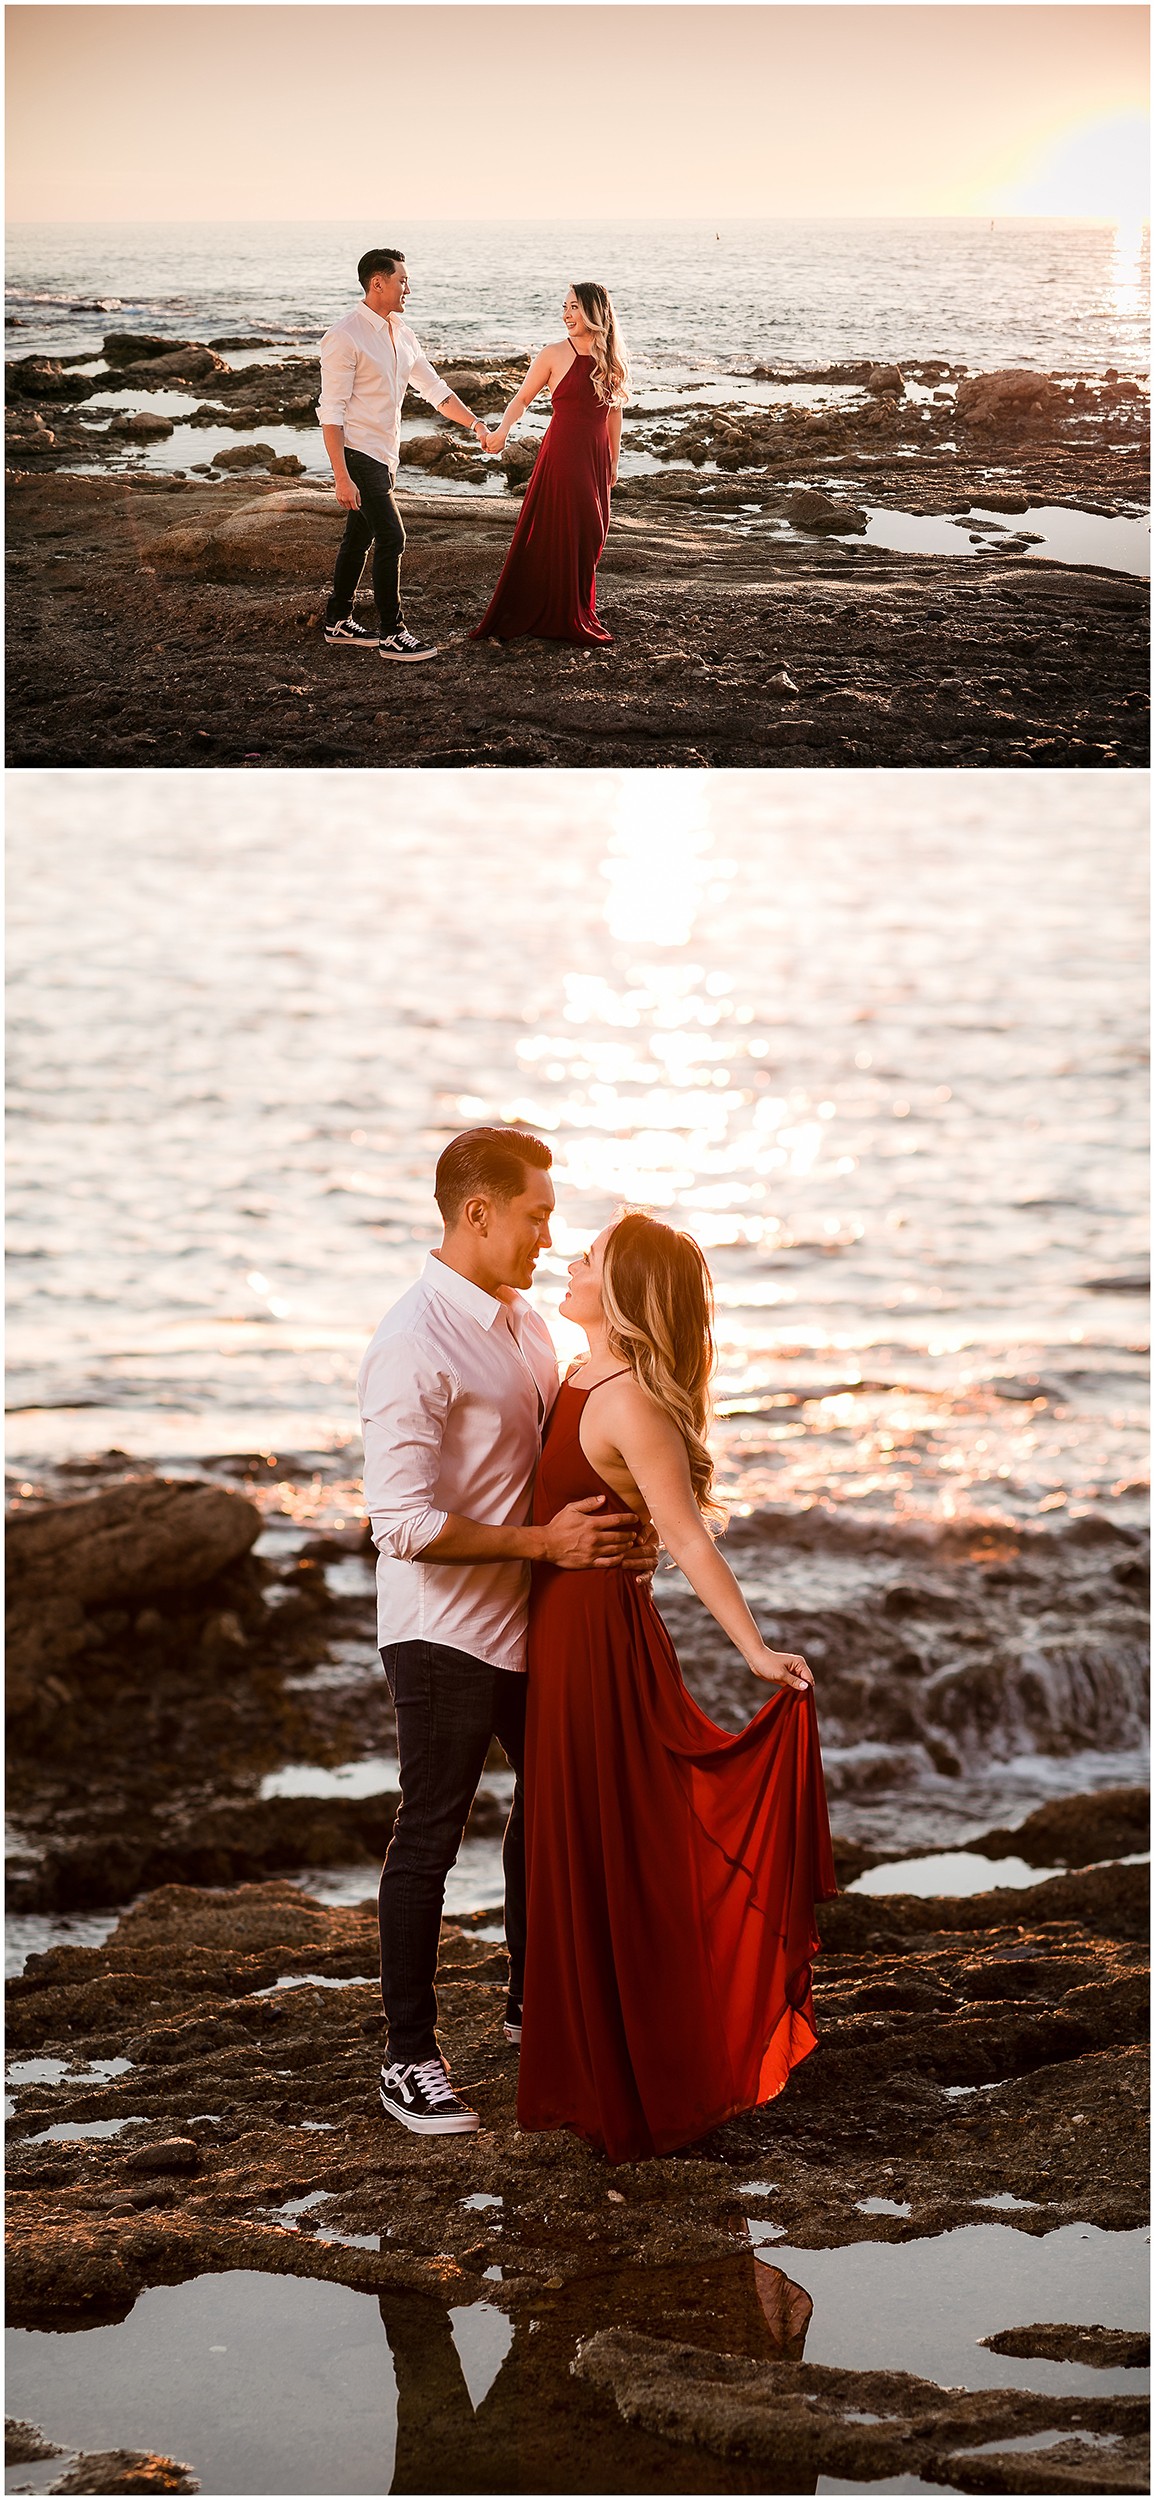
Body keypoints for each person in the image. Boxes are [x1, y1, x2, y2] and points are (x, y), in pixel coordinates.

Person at [518, 1211, 838, 2163]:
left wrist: (753, 1653)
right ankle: (587, 2063)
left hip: (597, 1650)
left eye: (590, 1260)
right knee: (572, 1845)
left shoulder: (627, 1404)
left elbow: (688, 1536)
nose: (569, 1265)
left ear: (621, 1297)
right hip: (554, 1637)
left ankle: (641, 2073)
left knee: (616, 1846)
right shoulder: (566, 1374)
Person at [358, 1127, 657, 2138]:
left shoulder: (529, 1325)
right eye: (536, 1212)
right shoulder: (411, 1342)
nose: (548, 1231)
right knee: (430, 1834)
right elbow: (396, 1522)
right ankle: (408, 2058)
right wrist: (545, 1544)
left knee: (553, 1815)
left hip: (534, 1617)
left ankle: (539, 2008)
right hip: (442, 1634)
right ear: (477, 1211)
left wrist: (626, 1532)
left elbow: (562, 1465)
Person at [318, 247, 487, 663]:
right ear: (378, 282)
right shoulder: (344, 336)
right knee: (392, 536)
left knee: (358, 538)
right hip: (358, 453)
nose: (408, 287)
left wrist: (477, 426)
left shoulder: (402, 333)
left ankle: (338, 620)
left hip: (384, 453)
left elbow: (435, 390)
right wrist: (340, 475)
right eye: (402, 280)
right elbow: (331, 412)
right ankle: (393, 633)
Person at [470, 283, 628, 647]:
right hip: (562, 452)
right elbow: (522, 397)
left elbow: (613, 413)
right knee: (565, 527)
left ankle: (575, 606)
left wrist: (614, 460)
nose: (566, 314)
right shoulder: (554, 354)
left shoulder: (610, 357)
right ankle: (556, 612)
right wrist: (502, 430)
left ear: (593, 311)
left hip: (594, 455)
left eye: (574, 307)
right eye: (564, 307)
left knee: (592, 532)